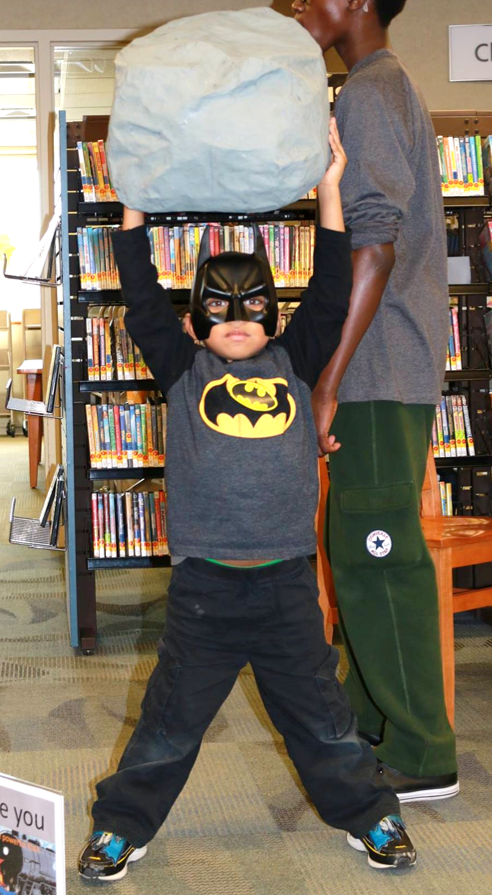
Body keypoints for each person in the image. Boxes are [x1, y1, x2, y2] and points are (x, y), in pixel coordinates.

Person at [78, 119, 416, 882]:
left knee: (323, 720)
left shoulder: (297, 361)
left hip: (287, 586)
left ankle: (369, 814)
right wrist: (133, 207)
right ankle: (122, 825)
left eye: (252, 306)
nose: (237, 321)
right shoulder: (180, 369)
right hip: (205, 589)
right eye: (220, 309)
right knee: (168, 722)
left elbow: (332, 288)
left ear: (272, 312)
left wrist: (329, 185)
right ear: (197, 319)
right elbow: (138, 298)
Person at [292, 0, 458, 801]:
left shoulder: (370, 90)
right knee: (354, 540)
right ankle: (367, 717)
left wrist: (328, 379)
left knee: (379, 550)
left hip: (380, 367)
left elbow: (376, 243)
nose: (297, 3)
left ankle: (423, 749)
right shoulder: (370, 85)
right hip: (383, 364)